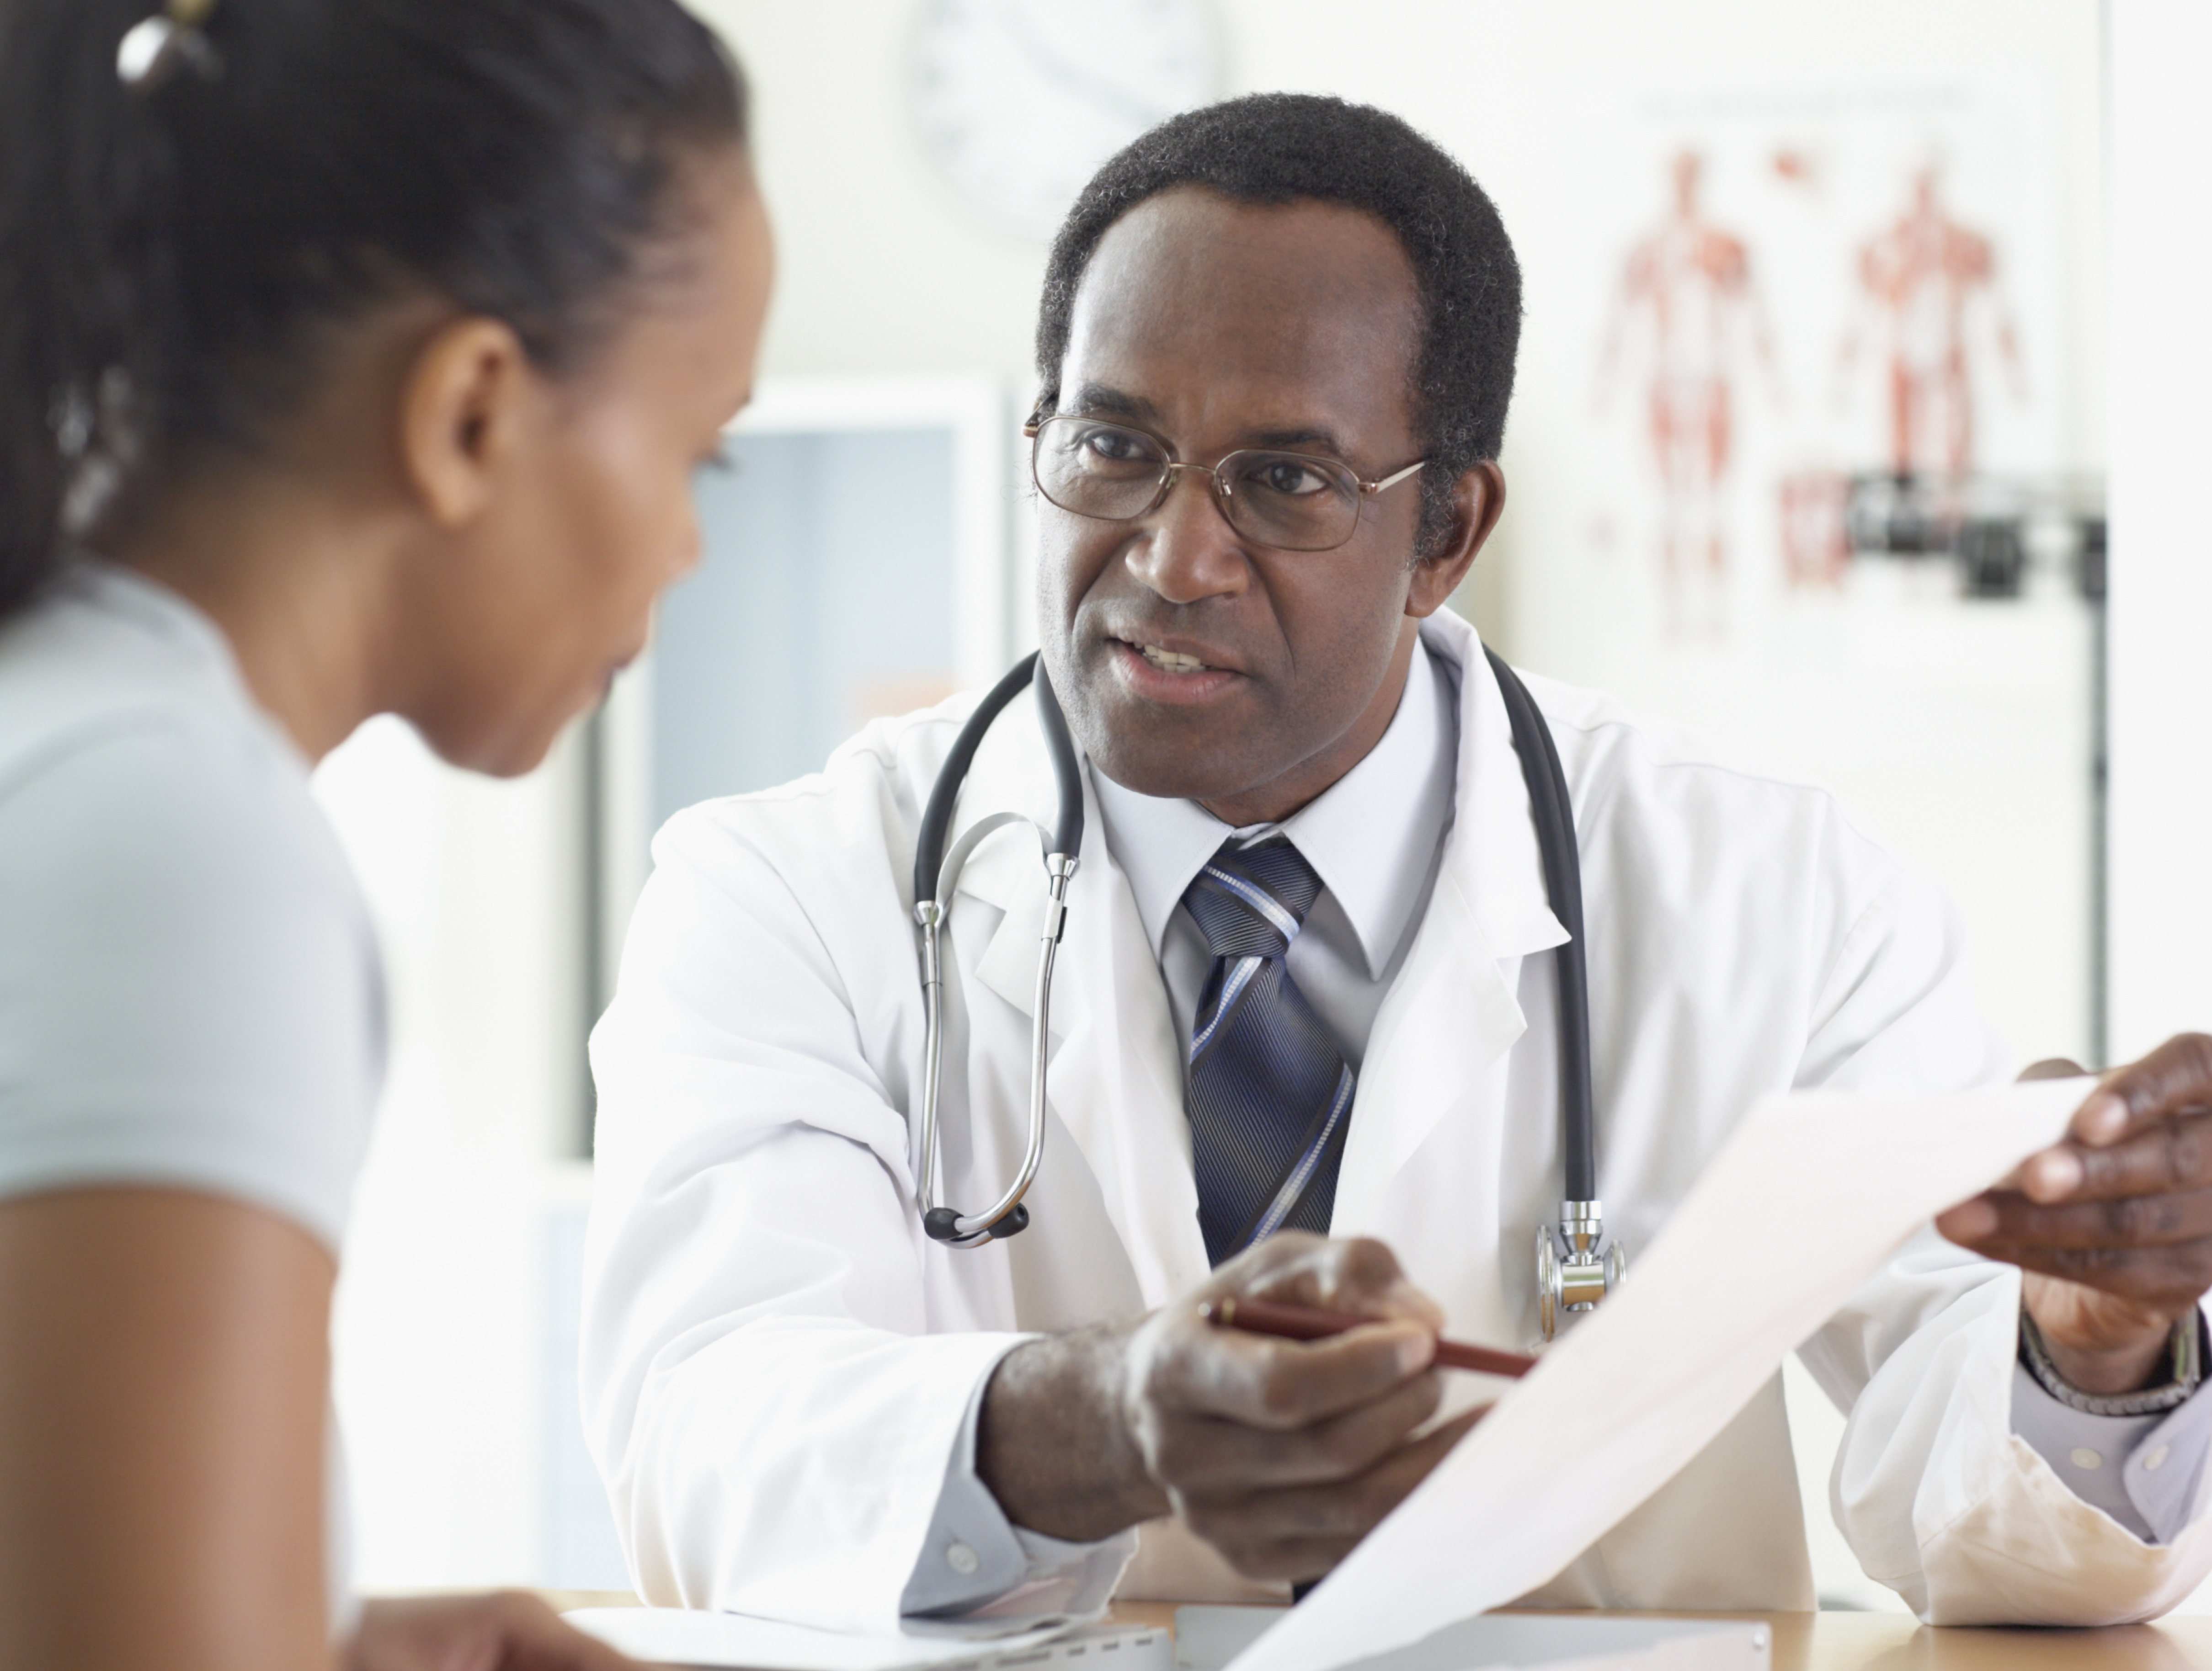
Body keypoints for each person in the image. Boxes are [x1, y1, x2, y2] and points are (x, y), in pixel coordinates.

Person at [581, 94, 2212, 1630]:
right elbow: (706, 1430)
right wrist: (1106, 1418)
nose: (1171, 555)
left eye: (1284, 482)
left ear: (1447, 533)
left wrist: (2091, 1339)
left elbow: (1982, 1511)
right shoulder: (788, 888)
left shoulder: (1775, 896)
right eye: (1112, 449)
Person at [0, 1, 770, 1666]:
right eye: (695, 453)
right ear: (473, 411)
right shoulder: (179, 845)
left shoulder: (72, 734)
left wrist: (334, 1647)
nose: (690, 552)